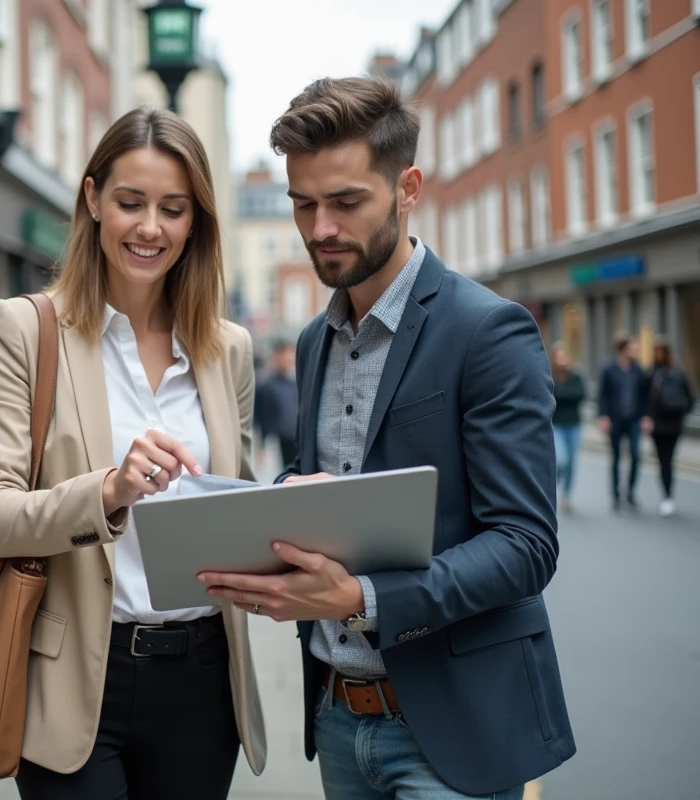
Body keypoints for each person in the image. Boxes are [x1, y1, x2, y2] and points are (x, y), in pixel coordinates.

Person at [197, 77, 574, 799]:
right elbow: (324, 483)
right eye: (302, 204)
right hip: (339, 718)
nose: (318, 229)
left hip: (456, 729)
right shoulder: (314, 342)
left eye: (344, 202)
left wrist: (360, 597)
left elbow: (526, 545)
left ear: (408, 188)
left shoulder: (488, 330)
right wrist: (275, 508)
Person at [0, 107, 266, 799]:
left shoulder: (229, 351)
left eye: (173, 209)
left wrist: (283, 513)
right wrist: (108, 491)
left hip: (202, 682)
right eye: (131, 202)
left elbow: (232, 500)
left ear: (197, 223)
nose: (150, 227)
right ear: (93, 199)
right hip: (75, 682)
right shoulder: (24, 329)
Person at [597, 332, 650, 511]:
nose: (636, 351)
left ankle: (631, 493)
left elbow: (645, 396)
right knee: (616, 457)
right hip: (615, 420)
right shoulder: (609, 368)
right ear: (623, 349)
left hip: (634, 419)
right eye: (633, 348)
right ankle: (616, 495)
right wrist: (603, 416)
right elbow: (602, 395)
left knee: (635, 455)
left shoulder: (639, 370)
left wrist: (646, 416)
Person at [645, 337, 696, 517]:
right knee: (664, 461)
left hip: (671, 425)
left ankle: (667, 496)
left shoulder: (675, 373)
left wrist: (681, 414)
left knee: (667, 460)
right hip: (659, 426)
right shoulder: (652, 373)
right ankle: (667, 496)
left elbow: (690, 397)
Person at [550, 341, 587, 513]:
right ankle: (553, 488)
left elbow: (580, 394)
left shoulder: (576, 376)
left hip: (573, 425)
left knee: (571, 463)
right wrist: (565, 395)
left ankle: (567, 495)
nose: (562, 360)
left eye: (564, 356)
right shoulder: (549, 376)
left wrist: (561, 395)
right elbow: (552, 396)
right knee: (561, 460)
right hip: (556, 425)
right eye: (559, 356)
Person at [257, 339, 301, 467]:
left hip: (300, 440)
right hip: (278, 441)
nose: (288, 358)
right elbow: (263, 418)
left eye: (290, 354)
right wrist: (262, 446)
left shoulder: (302, 381)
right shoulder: (268, 386)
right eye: (283, 355)